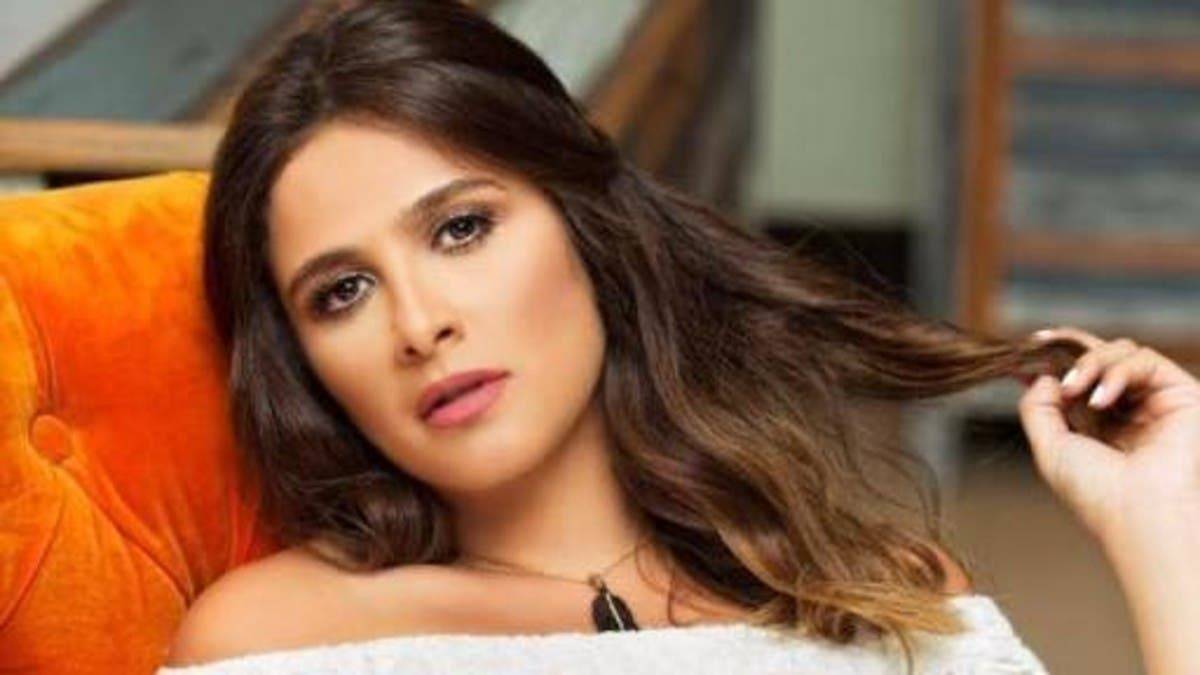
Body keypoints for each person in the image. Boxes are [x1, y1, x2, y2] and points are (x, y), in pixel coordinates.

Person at [158, 0, 1200, 673]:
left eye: (462, 228)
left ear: (584, 224)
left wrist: (1165, 525)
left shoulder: (890, 593)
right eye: (341, 291)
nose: (420, 323)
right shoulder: (281, 636)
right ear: (302, 361)